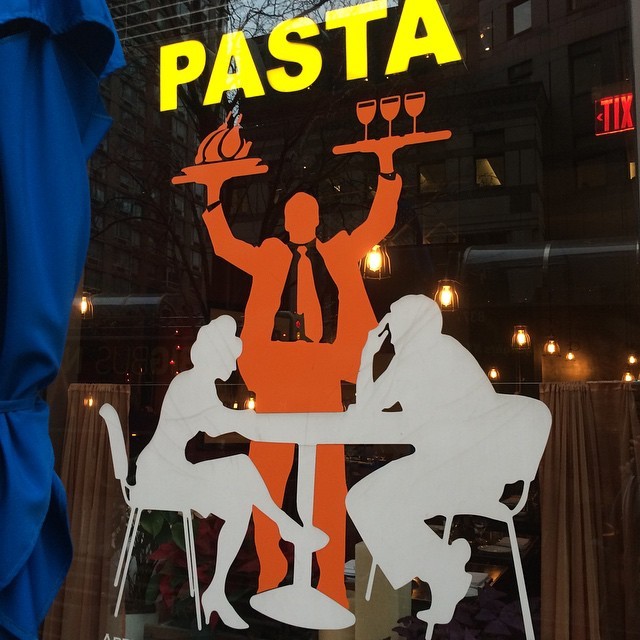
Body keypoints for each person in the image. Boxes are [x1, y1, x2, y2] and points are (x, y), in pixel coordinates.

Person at [240, 295, 552, 636]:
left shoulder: (426, 354)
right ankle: (443, 569)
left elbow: (367, 409)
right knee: (366, 501)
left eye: (393, 317)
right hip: (451, 464)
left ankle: (442, 570)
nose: (388, 325)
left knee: (368, 502)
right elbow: (370, 408)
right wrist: (369, 357)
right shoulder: (429, 350)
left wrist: (369, 356)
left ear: (410, 322)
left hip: (461, 470)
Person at [197, 120, 402, 607]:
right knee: (267, 483)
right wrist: (213, 195)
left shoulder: (338, 252)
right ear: (287, 222)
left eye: (307, 214)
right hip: (275, 377)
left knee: (327, 488)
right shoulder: (270, 256)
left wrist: (387, 166)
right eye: (293, 214)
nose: (300, 221)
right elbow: (224, 245)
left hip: (323, 374)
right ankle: (272, 571)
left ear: (316, 220)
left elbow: (378, 223)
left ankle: (328, 578)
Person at [125, 316, 327, 629]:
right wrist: (261, 419)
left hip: (175, 469)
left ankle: (217, 590)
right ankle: (285, 526)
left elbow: (221, 420)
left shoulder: (199, 384)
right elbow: (218, 424)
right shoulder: (189, 384)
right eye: (230, 358)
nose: (233, 366)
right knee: (241, 468)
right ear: (215, 355)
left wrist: (257, 420)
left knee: (239, 502)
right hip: (161, 473)